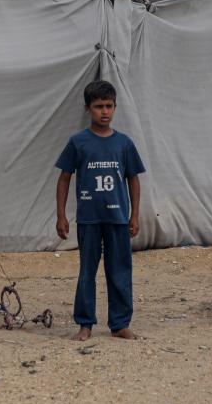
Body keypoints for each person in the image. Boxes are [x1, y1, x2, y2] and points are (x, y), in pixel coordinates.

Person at [55, 80, 145, 341]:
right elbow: (64, 178)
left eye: (108, 106)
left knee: (119, 270)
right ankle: (85, 323)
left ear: (115, 108)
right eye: (98, 107)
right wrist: (61, 215)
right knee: (87, 272)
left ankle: (119, 323)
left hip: (117, 218)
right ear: (87, 109)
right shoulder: (78, 142)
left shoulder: (124, 144)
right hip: (89, 219)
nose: (104, 112)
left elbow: (133, 179)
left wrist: (134, 214)